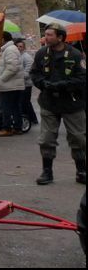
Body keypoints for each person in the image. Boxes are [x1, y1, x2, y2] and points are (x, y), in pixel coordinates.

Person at [30, 23, 86, 185]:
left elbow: (82, 78)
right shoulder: (41, 53)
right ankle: (47, 172)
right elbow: (34, 73)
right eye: (45, 34)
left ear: (60, 37)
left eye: (49, 35)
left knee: (78, 138)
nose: (45, 37)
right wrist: (43, 84)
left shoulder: (75, 55)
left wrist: (61, 85)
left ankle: (81, 171)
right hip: (49, 102)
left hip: (72, 103)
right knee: (47, 138)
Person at [0, 31, 25, 137]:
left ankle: (7, 128)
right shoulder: (8, 49)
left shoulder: (10, 49)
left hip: (9, 85)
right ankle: (17, 127)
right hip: (11, 84)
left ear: (2, 39)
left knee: (5, 107)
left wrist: (1, 80)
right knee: (14, 107)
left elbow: (12, 67)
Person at [15, 38, 38, 125]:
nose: (18, 48)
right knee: (24, 102)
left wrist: (17, 77)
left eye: (20, 46)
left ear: (24, 48)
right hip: (20, 83)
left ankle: (32, 118)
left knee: (25, 102)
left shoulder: (27, 57)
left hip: (26, 84)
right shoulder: (18, 56)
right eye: (17, 46)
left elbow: (28, 72)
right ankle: (30, 118)